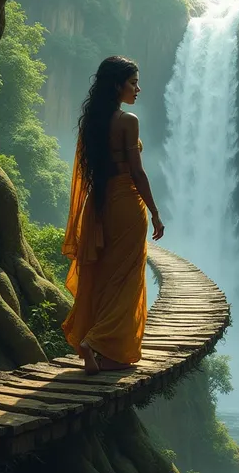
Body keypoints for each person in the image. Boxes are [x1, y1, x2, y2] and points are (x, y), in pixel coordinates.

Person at [61, 56, 165, 375]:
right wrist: (156, 212)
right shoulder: (127, 121)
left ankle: (106, 353)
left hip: (100, 203)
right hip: (125, 205)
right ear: (118, 85)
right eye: (133, 82)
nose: (138, 88)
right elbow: (137, 172)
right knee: (127, 277)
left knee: (107, 276)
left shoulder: (92, 121)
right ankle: (96, 342)